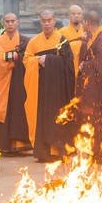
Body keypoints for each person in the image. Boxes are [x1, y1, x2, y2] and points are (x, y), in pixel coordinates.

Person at [23, 10, 76, 162]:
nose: (47, 23)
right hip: (41, 89)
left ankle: (58, 150)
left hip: (58, 89)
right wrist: (37, 61)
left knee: (58, 118)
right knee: (43, 120)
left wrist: (50, 60)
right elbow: (26, 60)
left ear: (54, 21)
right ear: (40, 22)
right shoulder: (34, 42)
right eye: (44, 20)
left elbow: (68, 64)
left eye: (49, 20)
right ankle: (44, 152)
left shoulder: (61, 40)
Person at [75, 10, 102, 160]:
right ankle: (95, 150)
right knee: (92, 119)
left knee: (101, 119)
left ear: (87, 22)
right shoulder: (93, 37)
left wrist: (85, 66)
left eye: (83, 23)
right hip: (92, 88)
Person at [0, 13, 30, 154]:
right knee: (5, 109)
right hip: (5, 80)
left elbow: (27, 56)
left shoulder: (24, 40)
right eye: (7, 21)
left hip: (20, 78)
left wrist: (11, 56)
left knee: (19, 108)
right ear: (3, 23)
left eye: (13, 21)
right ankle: (5, 145)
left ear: (17, 22)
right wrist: (12, 55)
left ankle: (20, 144)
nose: (10, 24)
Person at [58, 5, 85, 77]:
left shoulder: (87, 31)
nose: (76, 16)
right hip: (68, 70)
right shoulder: (61, 32)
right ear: (69, 16)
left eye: (79, 13)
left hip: (84, 70)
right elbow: (58, 52)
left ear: (82, 16)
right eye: (73, 14)